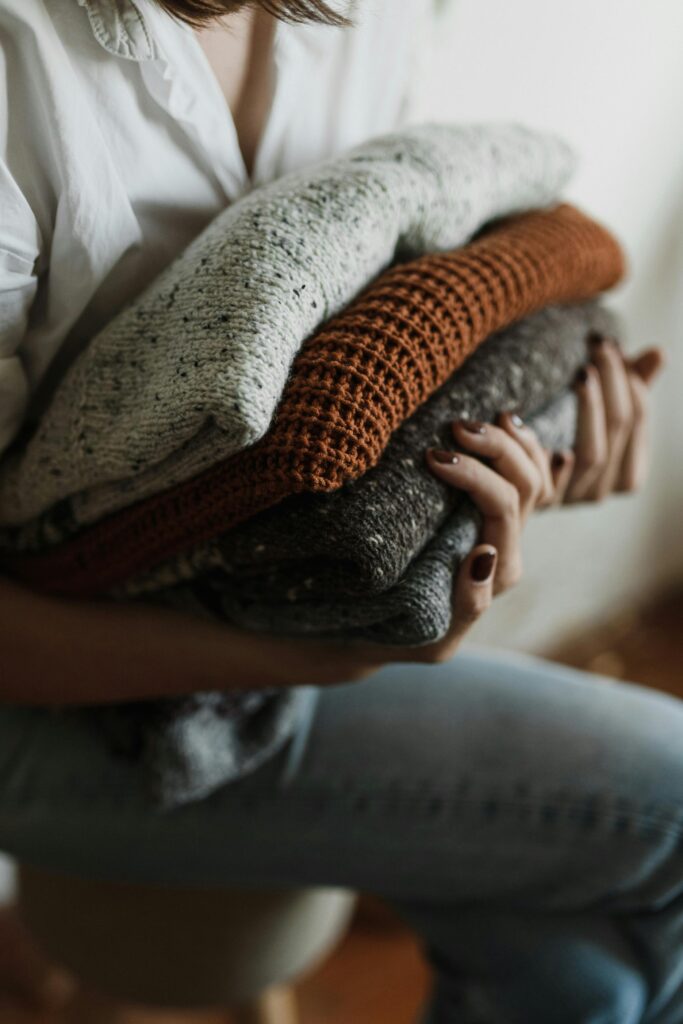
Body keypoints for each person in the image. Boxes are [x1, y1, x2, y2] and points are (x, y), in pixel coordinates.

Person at [0, 1, 679, 1021]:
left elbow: (387, 303)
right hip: (46, 702)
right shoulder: (21, 70)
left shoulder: (372, 12)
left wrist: (536, 447)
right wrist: (330, 657)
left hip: (283, 607)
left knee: (595, 969)